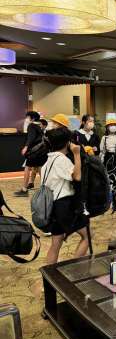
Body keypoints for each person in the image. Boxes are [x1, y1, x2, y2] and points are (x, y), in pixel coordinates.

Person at [41, 127, 88, 264]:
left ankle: (49, 275)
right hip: (65, 206)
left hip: (52, 206)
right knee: (87, 237)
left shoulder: (48, 161)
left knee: (56, 244)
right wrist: (77, 154)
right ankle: (73, 268)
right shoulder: (61, 160)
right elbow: (77, 177)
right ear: (67, 143)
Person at [15, 111, 47, 196]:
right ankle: (45, 189)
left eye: (28, 117)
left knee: (27, 168)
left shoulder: (31, 126)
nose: (27, 119)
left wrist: (26, 147)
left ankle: (24, 189)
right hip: (41, 151)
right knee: (40, 169)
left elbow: (31, 137)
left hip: (33, 152)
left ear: (32, 118)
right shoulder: (39, 126)